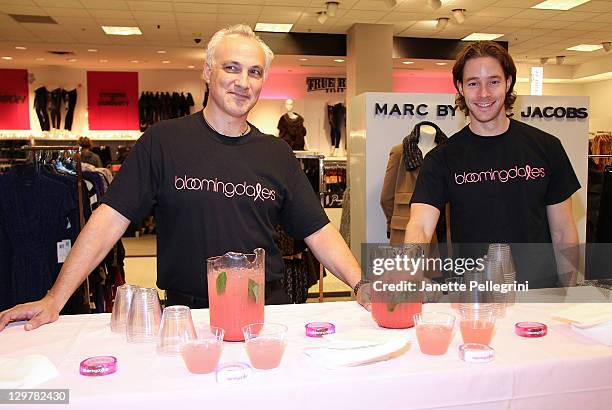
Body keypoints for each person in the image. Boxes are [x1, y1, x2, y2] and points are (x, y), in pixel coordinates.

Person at [0, 25, 369, 332]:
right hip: (188, 318)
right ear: (208, 71)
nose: (243, 82)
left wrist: (361, 284)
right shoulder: (163, 142)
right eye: (231, 68)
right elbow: (109, 219)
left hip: (263, 312)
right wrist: (55, 298)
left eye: (254, 72)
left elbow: (318, 230)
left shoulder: (276, 154)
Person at [404, 41, 580, 288]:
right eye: (473, 83)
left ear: (508, 83)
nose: (484, 93)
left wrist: (570, 293)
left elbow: (563, 232)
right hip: (475, 293)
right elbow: (420, 227)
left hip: (540, 294)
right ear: (460, 87)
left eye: (493, 82)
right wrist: (407, 278)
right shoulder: (442, 158)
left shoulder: (547, 147)